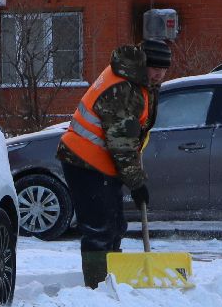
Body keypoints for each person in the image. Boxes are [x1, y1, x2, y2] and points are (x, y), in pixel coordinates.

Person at [56, 33, 171, 288]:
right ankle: (98, 286)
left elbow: (135, 132)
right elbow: (121, 141)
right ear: (143, 64)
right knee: (99, 228)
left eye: (163, 70)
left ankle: (110, 278)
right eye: (155, 69)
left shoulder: (139, 82)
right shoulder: (124, 87)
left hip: (101, 162)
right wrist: (136, 182)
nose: (159, 75)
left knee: (115, 224)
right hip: (84, 161)